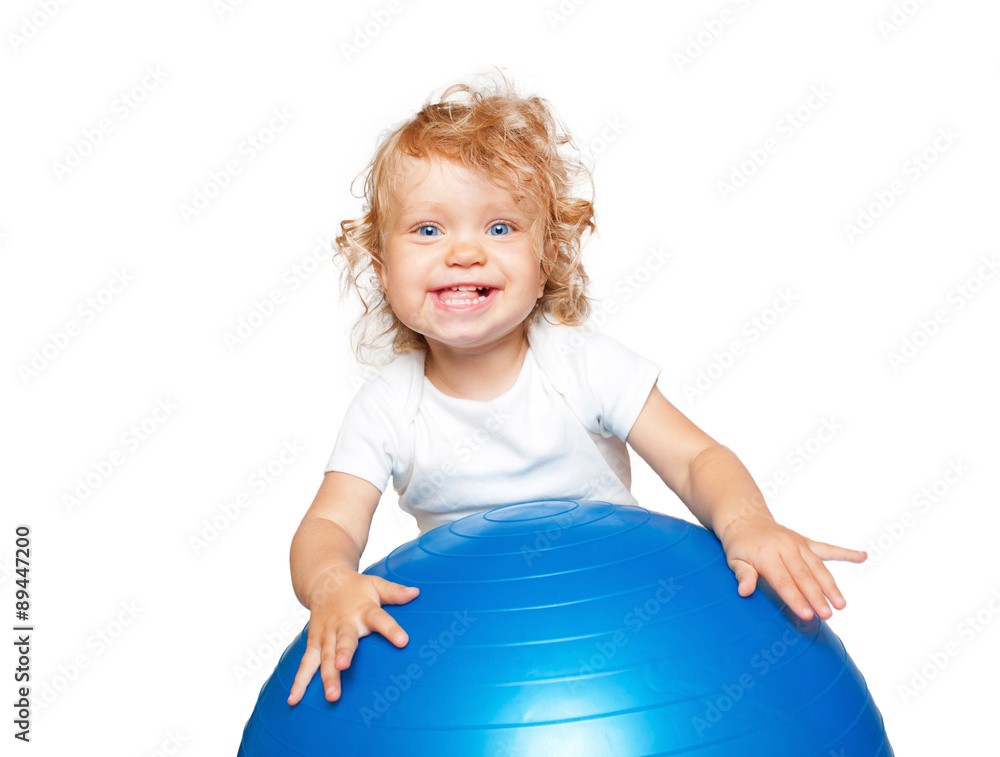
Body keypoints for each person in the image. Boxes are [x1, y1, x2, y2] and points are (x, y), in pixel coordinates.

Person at [285, 73, 867, 706]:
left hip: (624, 624)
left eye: (501, 228)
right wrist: (330, 581)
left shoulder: (582, 366)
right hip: (478, 649)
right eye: (427, 230)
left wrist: (746, 523)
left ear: (547, 262)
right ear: (380, 265)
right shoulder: (388, 406)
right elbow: (329, 523)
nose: (463, 252)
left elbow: (696, 458)